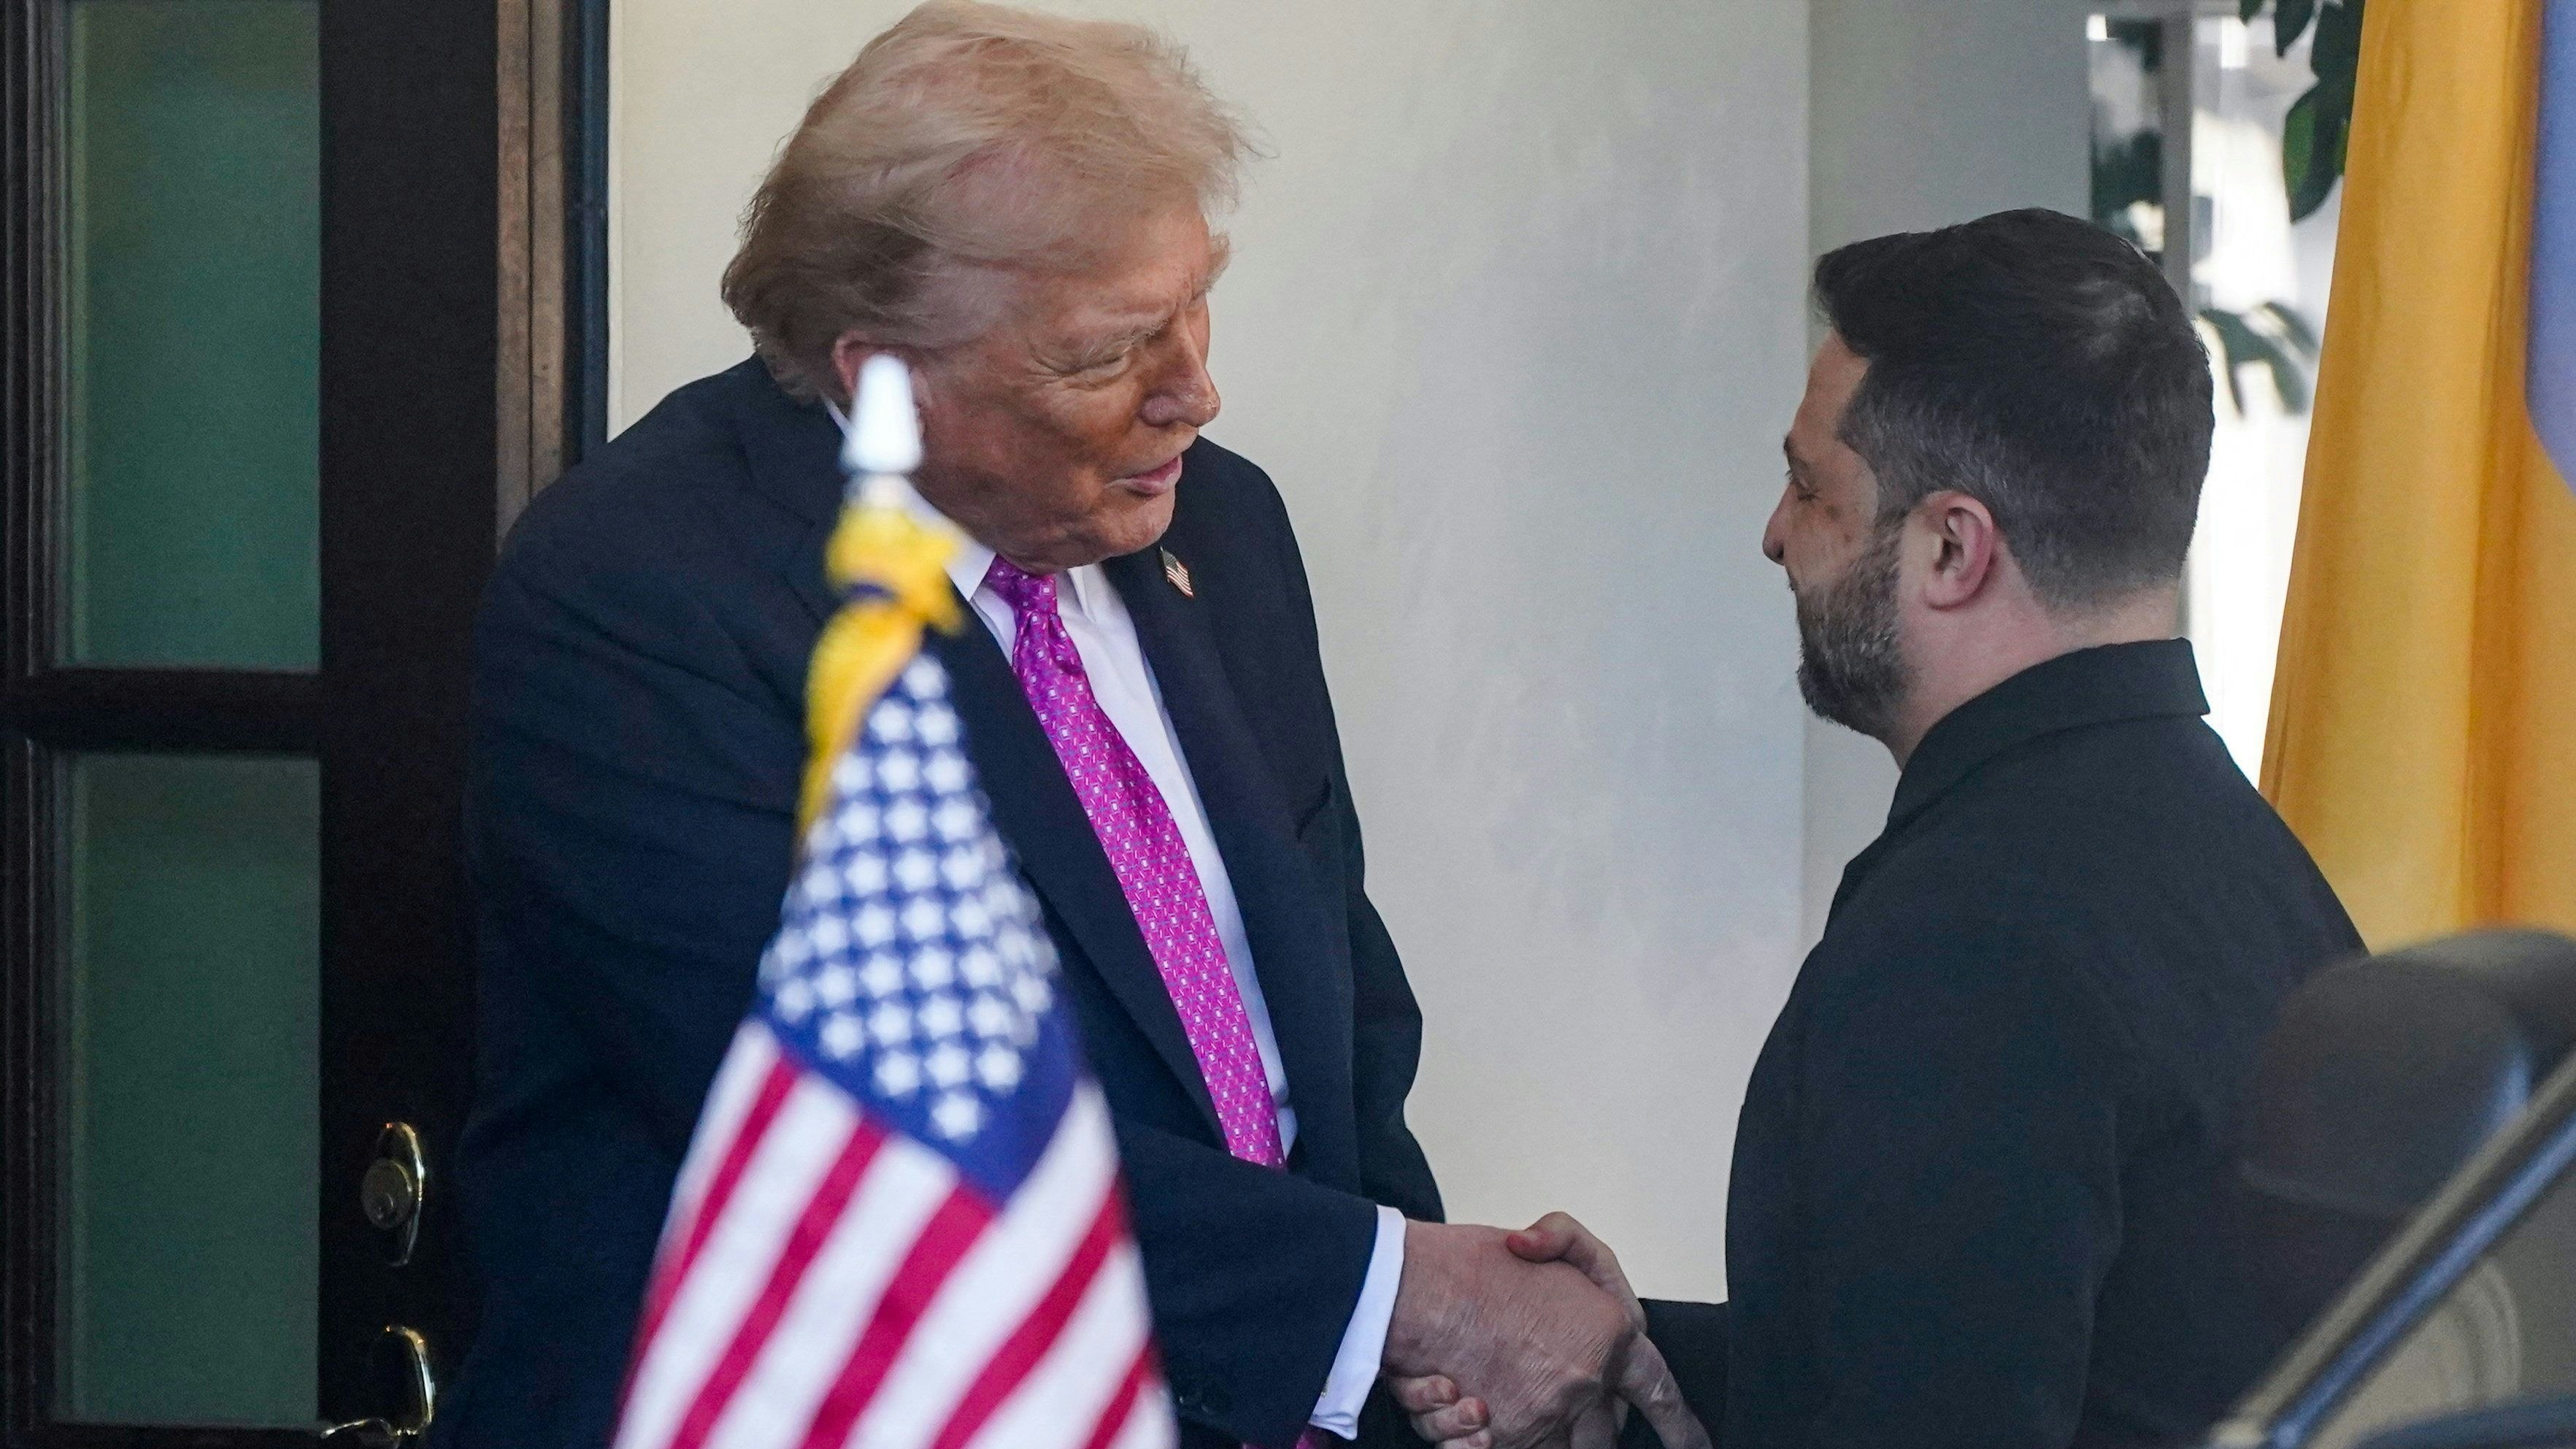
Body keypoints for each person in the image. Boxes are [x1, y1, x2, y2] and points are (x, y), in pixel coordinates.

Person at [437, 6, 1691, 1448]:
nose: (1193, 390)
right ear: (883, 379)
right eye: (1106, 352)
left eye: (1194, 304)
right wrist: (1394, 1296)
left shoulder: (1219, 521)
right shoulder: (640, 598)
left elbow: (1327, 1010)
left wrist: (1431, 1360)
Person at [1396, 209, 2366, 1449]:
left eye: (1809, 486)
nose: (1773, 533)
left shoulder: (1967, 945)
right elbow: (2022, 1358)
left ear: (1950, 546)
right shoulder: (2239, 858)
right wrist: (1628, 1361)